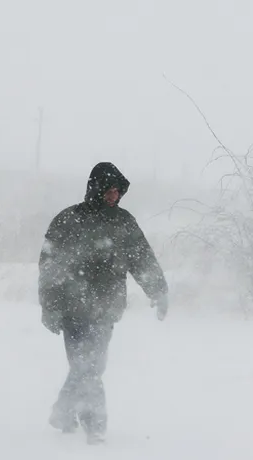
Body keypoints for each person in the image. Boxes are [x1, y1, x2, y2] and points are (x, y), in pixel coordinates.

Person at [38, 162, 169, 444]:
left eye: (117, 191)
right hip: (73, 308)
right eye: (109, 190)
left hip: (106, 309)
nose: (113, 196)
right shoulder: (69, 219)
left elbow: (141, 257)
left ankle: (63, 412)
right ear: (95, 189)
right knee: (87, 366)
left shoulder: (123, 221)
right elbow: (49, 266)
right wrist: (50, 306)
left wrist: (158, 290)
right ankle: (95, 426)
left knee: (90, 366)